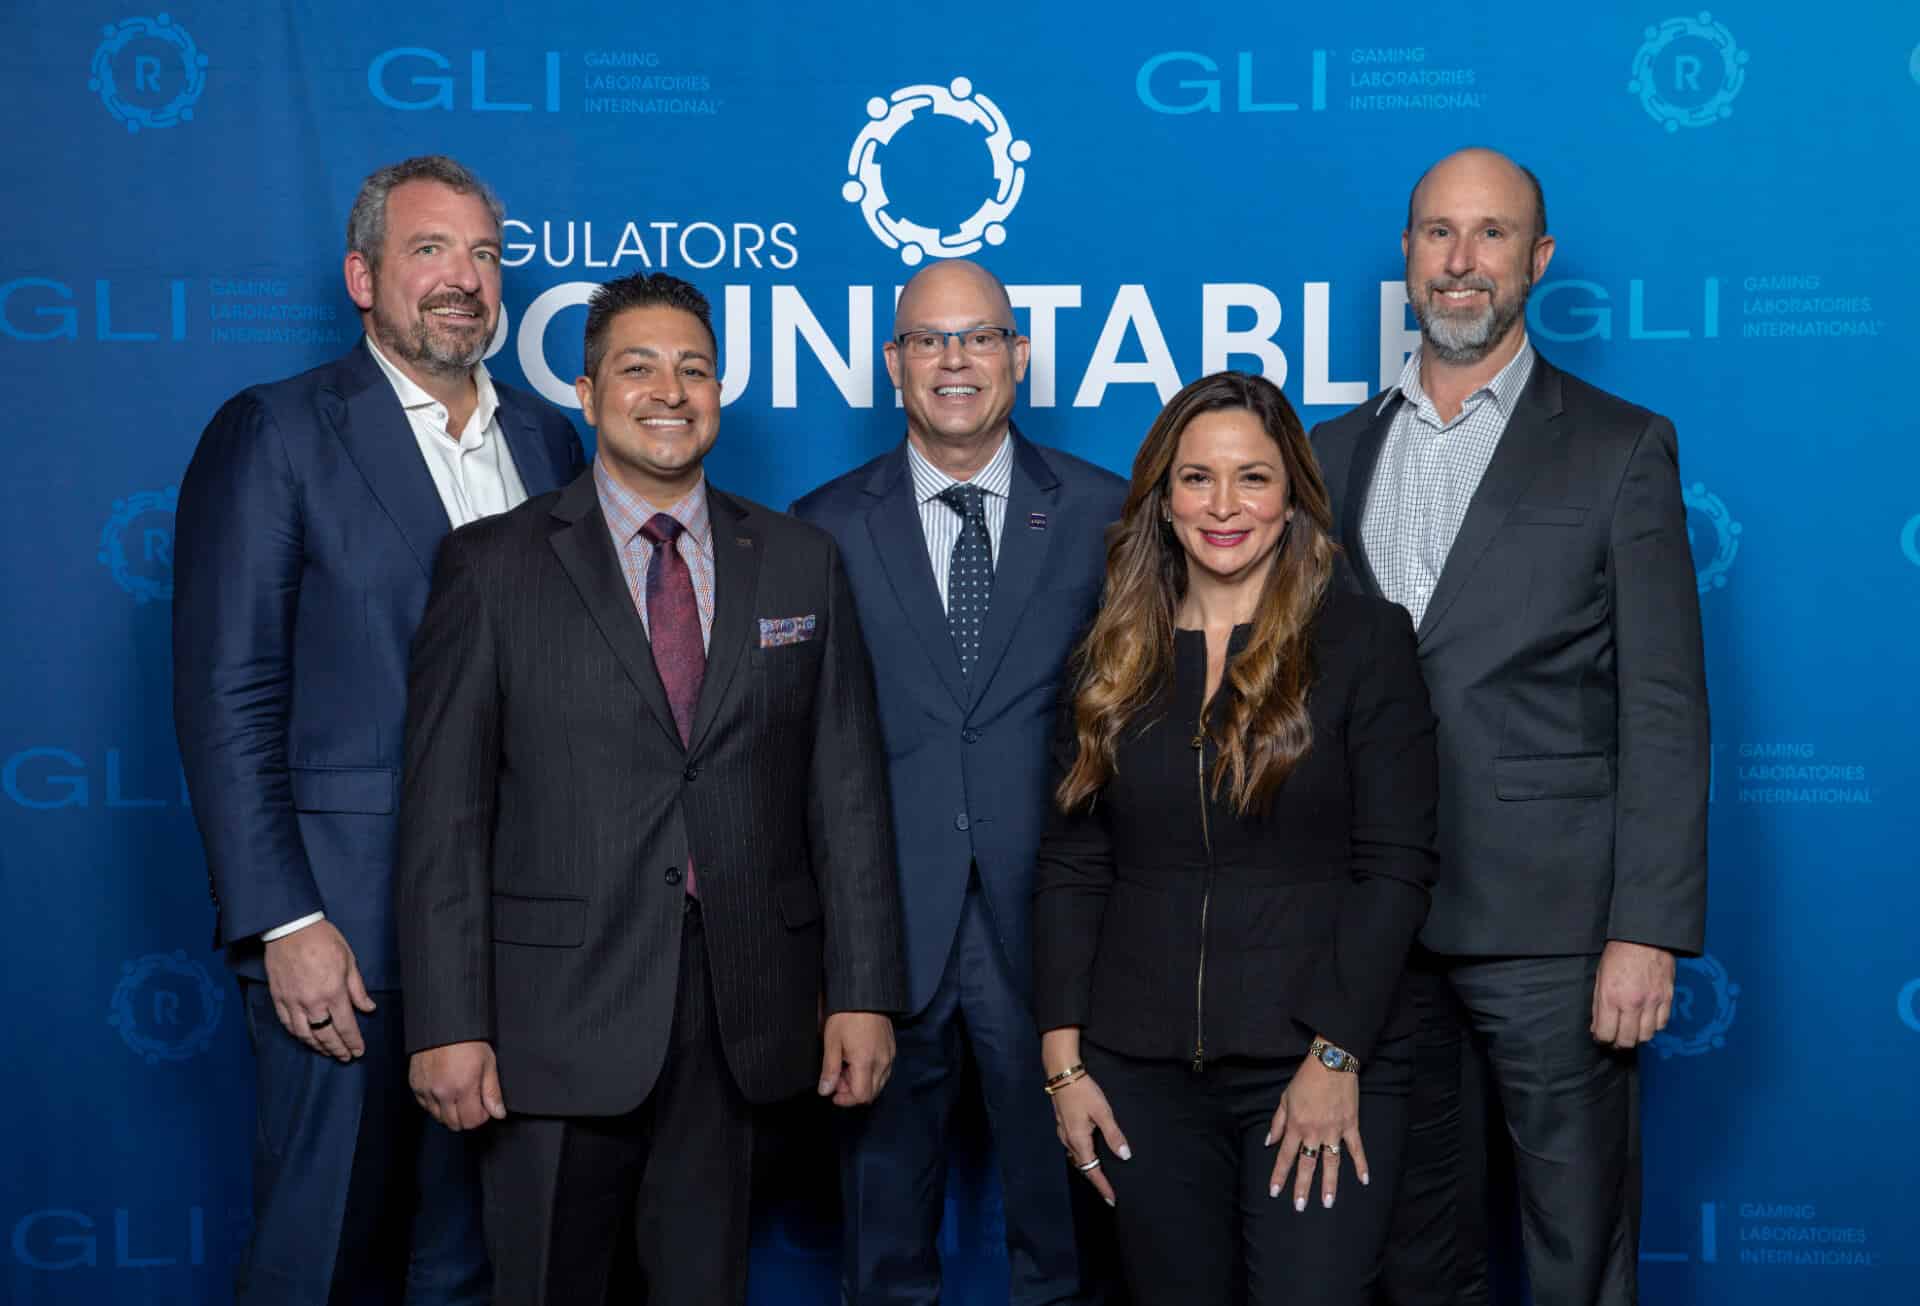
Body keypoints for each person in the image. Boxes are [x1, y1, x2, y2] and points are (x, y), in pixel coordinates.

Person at [395, 270, 909, 1306]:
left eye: (694, 368)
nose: (670, 389)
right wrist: (446, 1020)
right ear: (586, 395)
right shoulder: (492, 567)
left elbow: (845, 793)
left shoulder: (801, 562)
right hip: (549, 1023)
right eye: (638, 367)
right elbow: (445, 818)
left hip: (740, 1017)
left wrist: (861, 992)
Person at [172, 154, 583, 1306]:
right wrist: (283, 918)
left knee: (469, 1257)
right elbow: (227, 690)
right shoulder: (278, 430)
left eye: (486, 254)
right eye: (430, 250)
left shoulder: (549, 445)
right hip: (342, 930)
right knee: (322, 1251)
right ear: (363, 276)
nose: (465, 278)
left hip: (512, 933)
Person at [1310, 147, 1709, 1306]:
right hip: (1373, 927)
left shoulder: (1618, 445)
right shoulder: (1333, 456)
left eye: (1491, 235)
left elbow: (1668, 705)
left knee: (1573, 1242)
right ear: (1406, 257)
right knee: (1410, 1246)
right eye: (1439, 233)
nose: (1462, 261)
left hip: (1556, 930)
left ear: (1537, 260)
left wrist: (1647, 928)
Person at [1033, 370, 1440, 1305]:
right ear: (1162, 500)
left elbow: (1396, 870)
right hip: (1136, 1076)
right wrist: (1065, 1069)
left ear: (1292, 494)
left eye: (1252, 478)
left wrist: (1336, 1058)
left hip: (1315, 1069)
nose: (1225, 507)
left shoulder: (1365, 641)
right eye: (1197, 479)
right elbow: (1071, 866)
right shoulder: (1107, 654)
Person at [792, 259, 1127, 1305]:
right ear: (893, 364)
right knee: (882, 1246)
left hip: (1059, 937)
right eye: (930, 340)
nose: (954, 360)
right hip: (885, 938)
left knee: (1067, 1238)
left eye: (978, 336)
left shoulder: (1106, 515)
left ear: (1018, 355)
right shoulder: (822, 527)